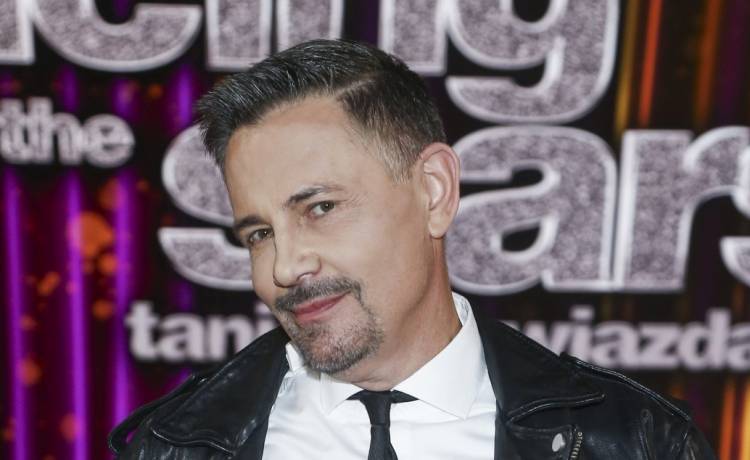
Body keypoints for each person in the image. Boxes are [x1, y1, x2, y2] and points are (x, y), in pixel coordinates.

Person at [109, 39, 716, 459]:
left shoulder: (635, 442)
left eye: (320, 208)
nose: (285, 267)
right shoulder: (173, 445)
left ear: (434, 191)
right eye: (259, 234)